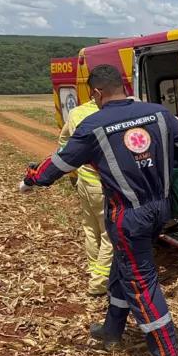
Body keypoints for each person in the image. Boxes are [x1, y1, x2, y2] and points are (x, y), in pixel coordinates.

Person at [18, 64, 178, 356]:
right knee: (122, 267)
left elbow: (58, 164)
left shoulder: (94, 125)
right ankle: (111, 332)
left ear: (97, 93)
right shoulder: (157, 112)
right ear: (125, 86)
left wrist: (30, 179)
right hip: (160, 208)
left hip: (128, 216)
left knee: (142, 285)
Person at [58, 98, 112, 296]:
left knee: (91, 228)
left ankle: (93, 270)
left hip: (84, 181)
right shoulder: (111, 113)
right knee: (110, 235)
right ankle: (99, 284)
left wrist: (77, 165)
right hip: (104, 184)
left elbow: (65, 142)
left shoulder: (76, 113)